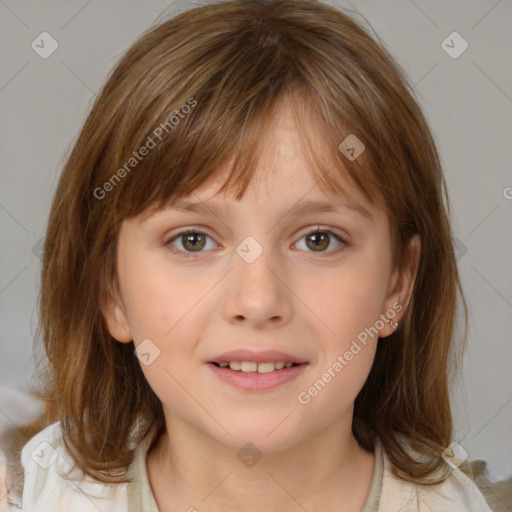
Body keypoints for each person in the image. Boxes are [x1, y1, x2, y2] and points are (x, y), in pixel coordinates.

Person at [1, 0, 497, 510]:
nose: (257, 301)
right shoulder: (32, 494)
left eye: (318, 239)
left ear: (398, 286)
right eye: (193, 240)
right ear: (111, 291)